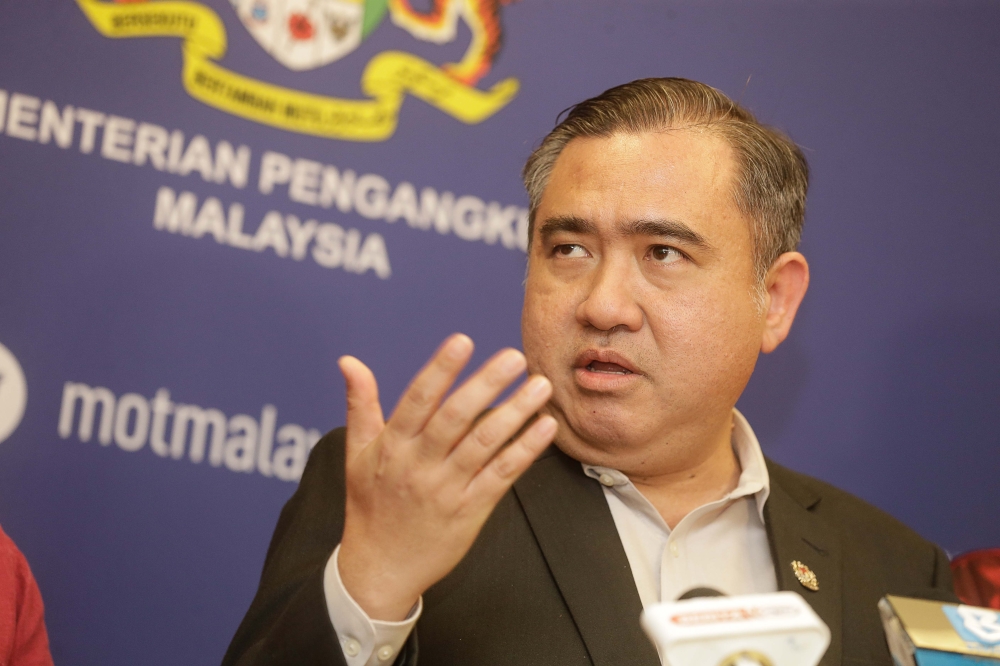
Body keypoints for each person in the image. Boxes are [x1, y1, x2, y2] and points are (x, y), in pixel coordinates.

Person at [222, 78, 956, 666]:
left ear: (775, 300)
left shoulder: (896, 567)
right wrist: (372, 590)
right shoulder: (400, 492)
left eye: (662, 254)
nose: (603, 305)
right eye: (568, 249)